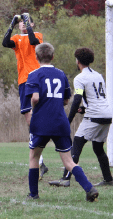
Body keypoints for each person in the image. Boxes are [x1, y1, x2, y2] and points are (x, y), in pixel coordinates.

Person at [25, 43, 98, 202]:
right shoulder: (61, 74)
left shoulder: (34, 74)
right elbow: (66, 100)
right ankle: (89, 187)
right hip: (60, 121)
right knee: (68, 160)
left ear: (36, 57)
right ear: (52, 56)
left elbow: (35, 98)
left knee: (34, 156)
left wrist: (33, 108)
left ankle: (33, 194)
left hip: (41, 122)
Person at [48, 47, 113, 188]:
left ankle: (65, 179)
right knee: (98, 148)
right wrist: (84, 108)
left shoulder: (80, 78)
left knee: (76, 145)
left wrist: (68, 120)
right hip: (106, 114)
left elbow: (77, 98)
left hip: (94, 116)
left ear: (77, 61)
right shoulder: (98, 75)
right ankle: (108, 180)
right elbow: (96, 97)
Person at [2, 12, 48, 179]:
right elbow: (4, 42)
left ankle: (46, 150)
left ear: (31, 24)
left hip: (38, 78)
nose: (22, 24)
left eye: (25, 22)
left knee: (42, 115)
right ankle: (40, 160)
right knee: (29, 119)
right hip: (23, 81)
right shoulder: (16, 39)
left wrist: (27, 21)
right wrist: (12, 22)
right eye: (21, 23)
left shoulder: (37, 35)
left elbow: (34, 42)